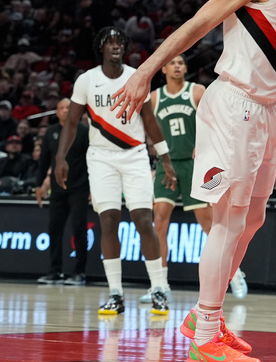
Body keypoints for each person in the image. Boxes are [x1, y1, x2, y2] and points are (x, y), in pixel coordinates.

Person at [113, 0, 276, 362]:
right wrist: (145, 70)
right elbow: (200, 21)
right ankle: (205, 334)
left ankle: (205, 314)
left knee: (254, 218)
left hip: (270, 110)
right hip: (235, 105)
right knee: (228, 218)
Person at [54, 27, 178, 317]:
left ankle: (159, 288)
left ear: (125, 47)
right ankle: (115, 293)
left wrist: (165, 157)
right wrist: (61, 157)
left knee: (143, 220)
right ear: (101, 47)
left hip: (134, 155)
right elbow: (72, 123)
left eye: (119, 42)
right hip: (100, 158)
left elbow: (149, 121)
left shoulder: (137, 77)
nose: (115, 47)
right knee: (107, 221)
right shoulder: (87, 80)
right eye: (109, 42)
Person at [142, 54, 248, 306]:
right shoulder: (155, 97)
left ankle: (234, 274)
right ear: (164, 69)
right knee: (159, 222)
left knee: (209, 224)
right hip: (167, 165)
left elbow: (216, 121)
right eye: (173, 63)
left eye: (181, 63)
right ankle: (160, 286)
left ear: (185, 68)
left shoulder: (197, 91)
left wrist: (205, 146)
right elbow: (149, 128)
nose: (178, 66)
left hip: (193, 165)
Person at [35, 98, 89, 286]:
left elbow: (91, 160)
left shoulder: (84, 131)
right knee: (54, 230)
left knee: (79, 229)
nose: (66, 110)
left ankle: (79, 272)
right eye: (62, 108)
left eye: (69, 107)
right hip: (57, 190)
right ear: (57, 112)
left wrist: (92, 187)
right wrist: (38, 185)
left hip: (79, 188)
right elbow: (43, 162)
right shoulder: (51, 132)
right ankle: (55, 271)